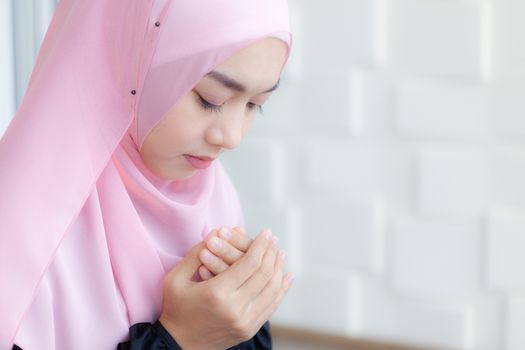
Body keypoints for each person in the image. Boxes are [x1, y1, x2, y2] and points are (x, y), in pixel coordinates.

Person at [0, 0, 294, 349]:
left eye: (254, 105)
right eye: (210, 99)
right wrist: (178, 339)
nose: (232, 137)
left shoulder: (212, 197)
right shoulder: (17, 231)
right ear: (127, 65)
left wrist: (246, 317)